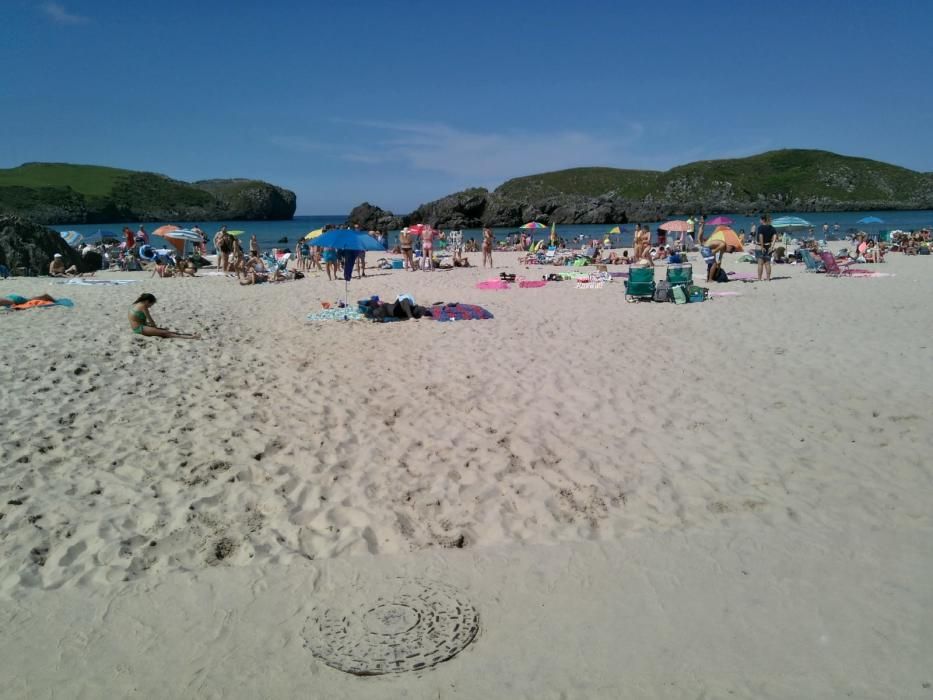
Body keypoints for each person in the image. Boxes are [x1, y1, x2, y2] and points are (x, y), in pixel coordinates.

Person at [128, 293, 200, 339]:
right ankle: (191, 337)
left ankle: (188, 335)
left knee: (163, 330)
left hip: (139, 326)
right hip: (139, 328)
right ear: (147, 301)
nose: (150, 306)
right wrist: (154, 327)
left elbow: (136, 319)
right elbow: (151, 321)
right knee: (165, 333)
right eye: (151, 304)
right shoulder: (144, 307)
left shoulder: (136, 304)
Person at [756, 214, 778, 281]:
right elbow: (775, 236)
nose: (759, 221)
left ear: (763, 220)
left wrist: (762, 246)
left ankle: (759, 279)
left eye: (760, 219)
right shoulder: (772, 228)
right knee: (767, 263)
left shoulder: (761, 227)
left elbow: (760, 236)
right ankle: (768, 278)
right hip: (768, 246)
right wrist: (772, 246)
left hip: (760, 246)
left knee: (760, 264)